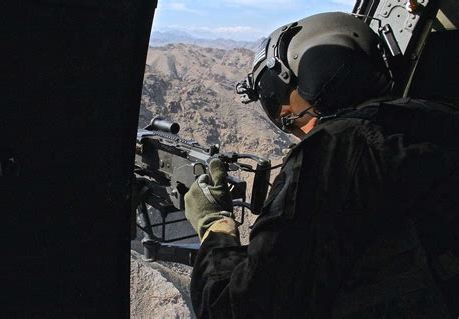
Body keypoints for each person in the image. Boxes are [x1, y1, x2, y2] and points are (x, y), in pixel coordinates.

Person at [184, 12, 459, 318]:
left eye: (276, 98)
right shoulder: (434, 120)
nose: (285, 115)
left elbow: (241, 308)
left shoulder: (339, 148)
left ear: (315, 74)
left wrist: (215, 228)